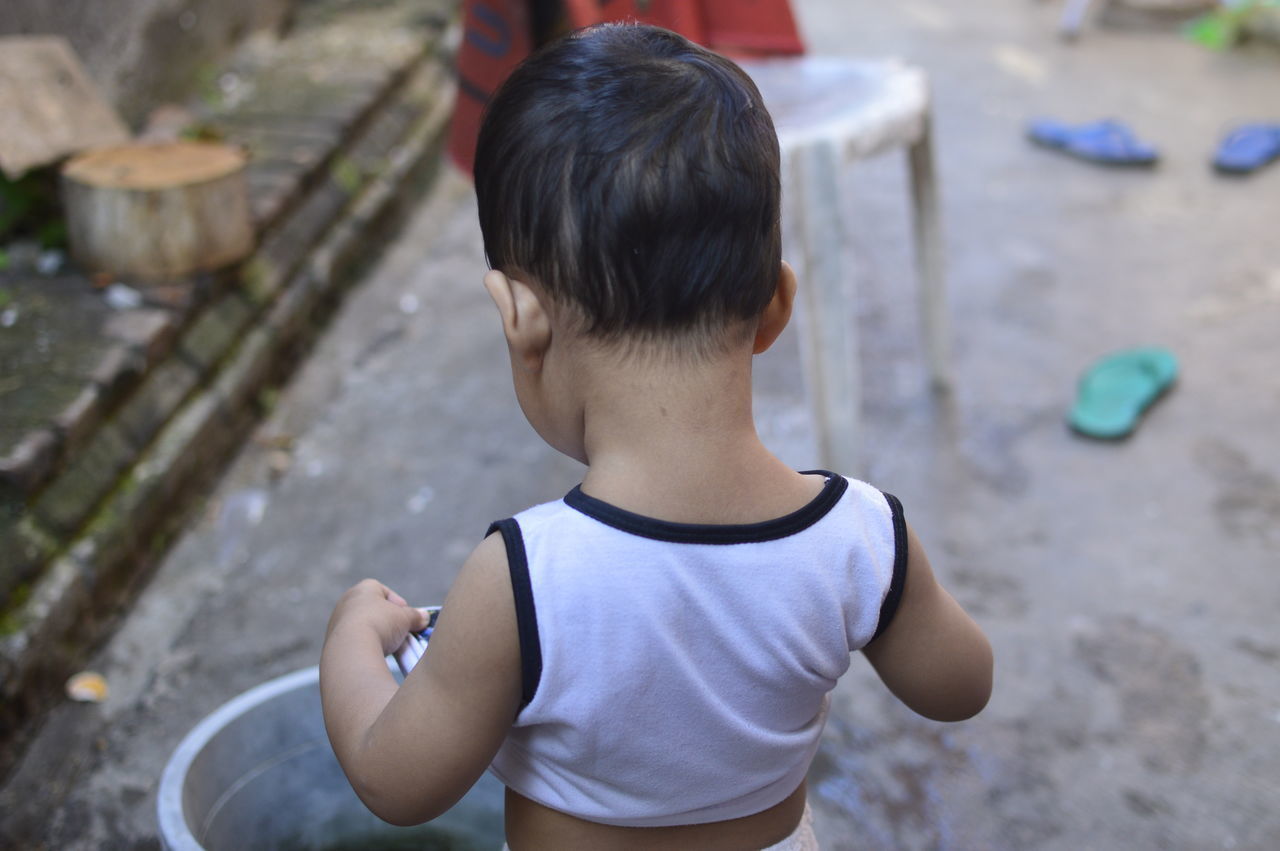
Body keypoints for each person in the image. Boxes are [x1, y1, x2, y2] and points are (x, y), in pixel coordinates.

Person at [320, 23, 993, 850]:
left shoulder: (524, 580)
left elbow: (396, 781)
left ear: (520, 318)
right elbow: (961, 685)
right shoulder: (859, 538)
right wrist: (895, 592)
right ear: (776, 307)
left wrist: (353, 635)